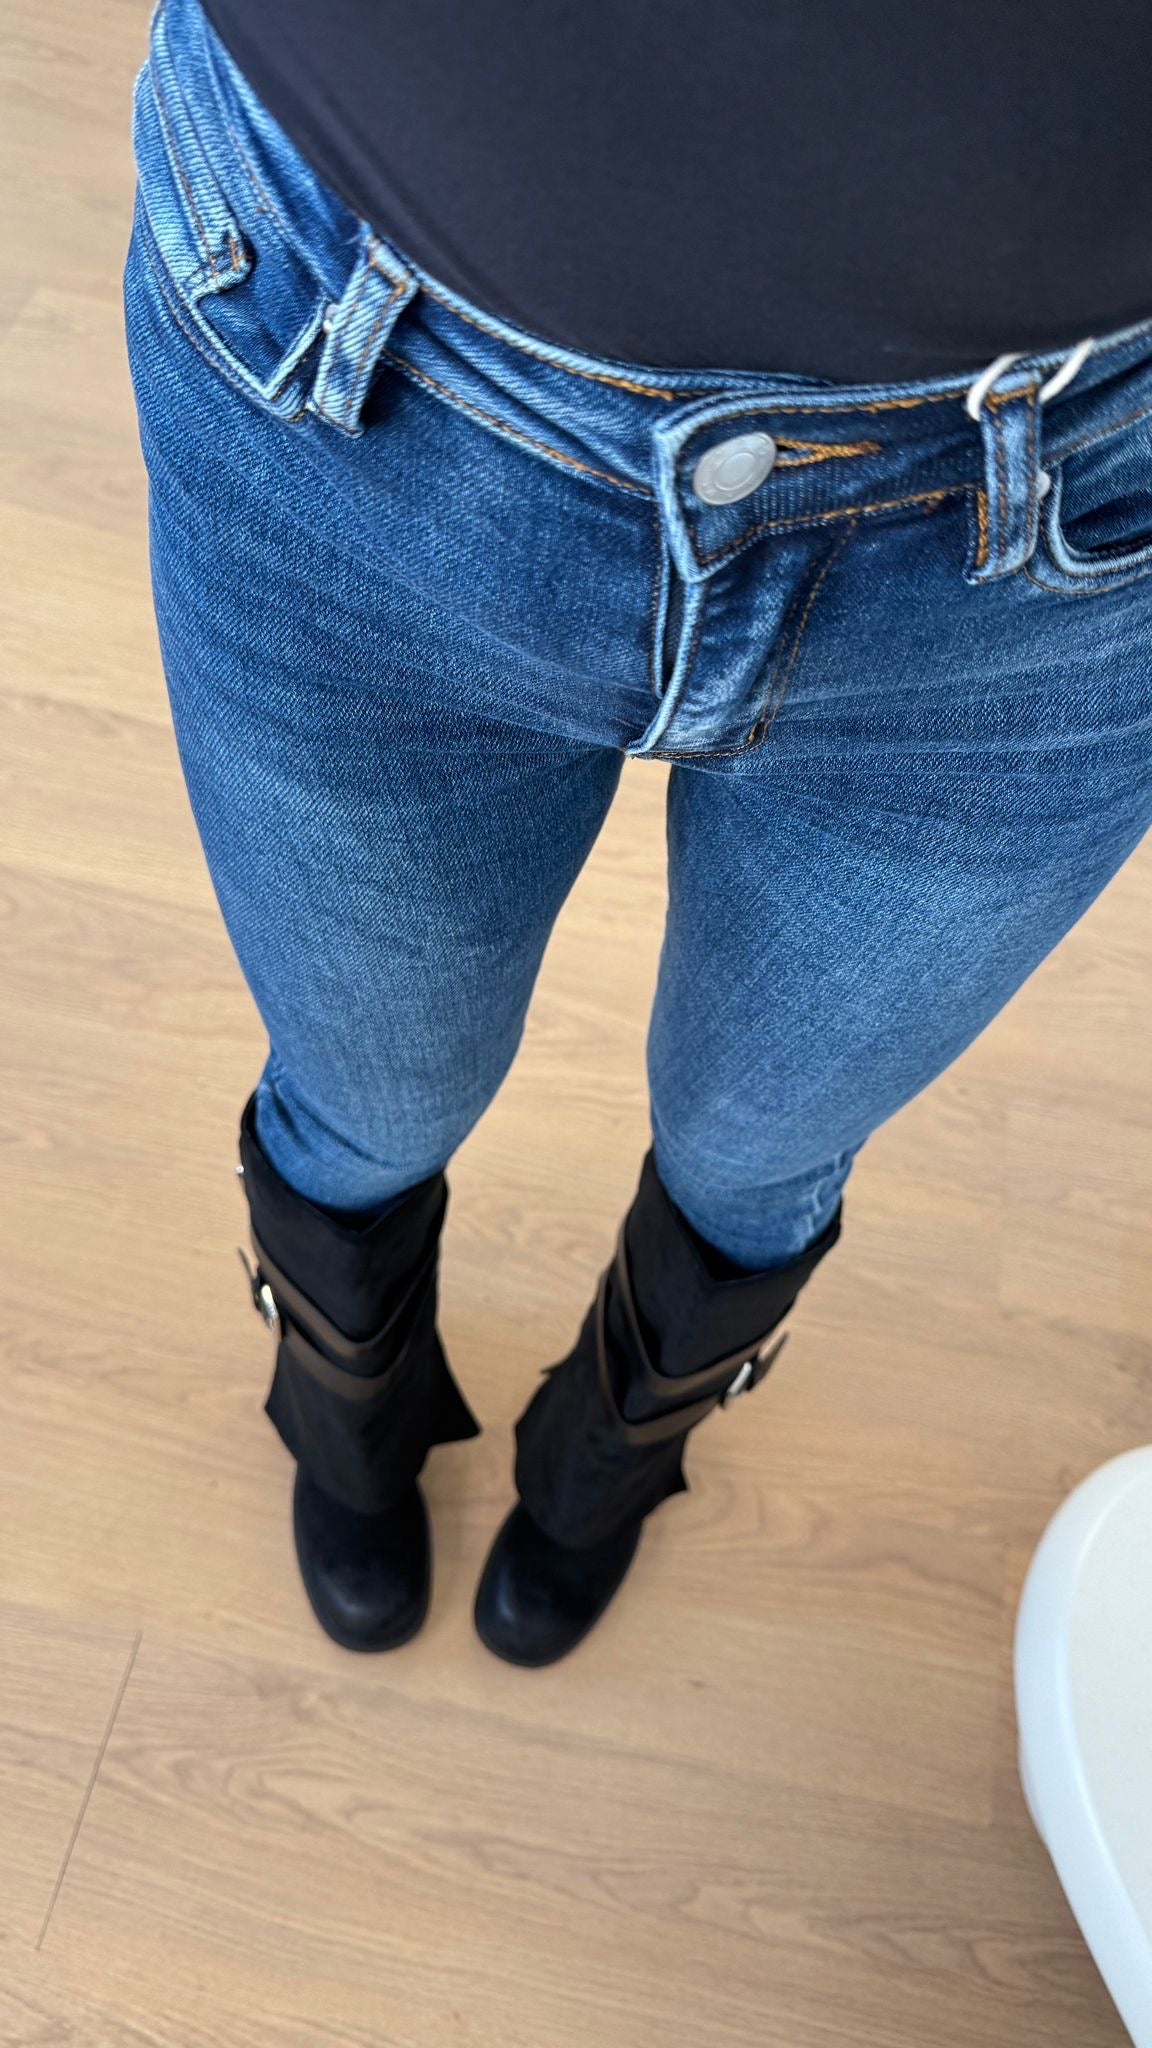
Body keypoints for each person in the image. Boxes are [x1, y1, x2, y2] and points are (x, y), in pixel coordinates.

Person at [125, 0, 1152, 1666]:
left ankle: (606, 1459)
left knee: (759, 1152)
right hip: (346, 355)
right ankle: (341, 1405)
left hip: (1072, 521)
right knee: (374, 1090)